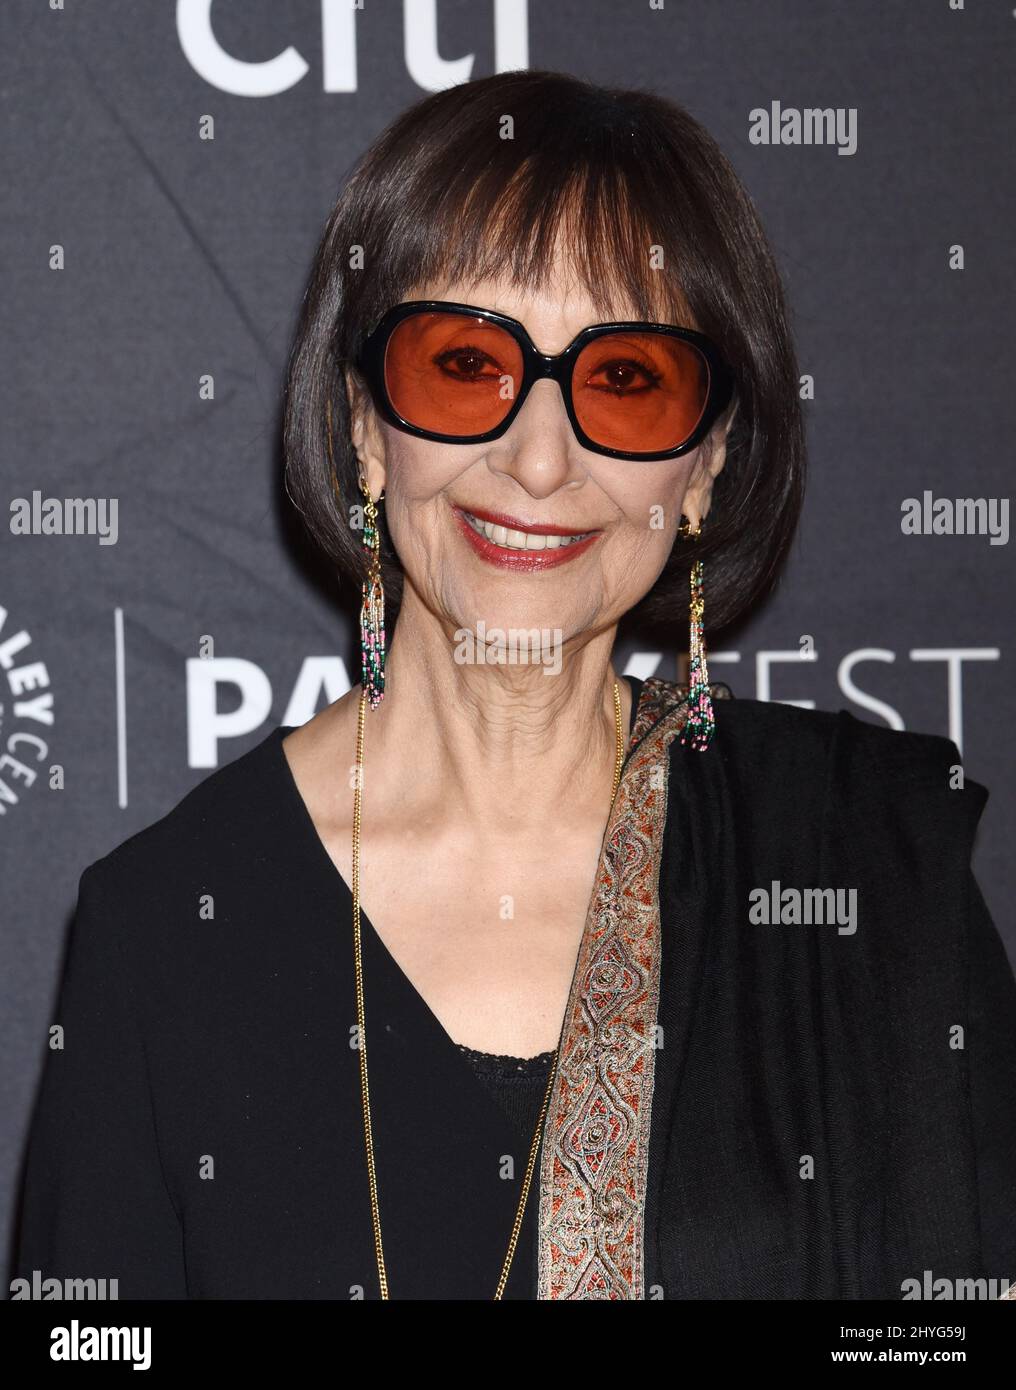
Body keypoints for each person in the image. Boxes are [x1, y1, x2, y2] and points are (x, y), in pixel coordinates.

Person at [14, 70, 1016, 1302]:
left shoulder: (864, 866)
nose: (538, 460)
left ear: (703, 466)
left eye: (626, 379)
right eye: (463, 364)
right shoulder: (164, 928)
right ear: (367, 430)